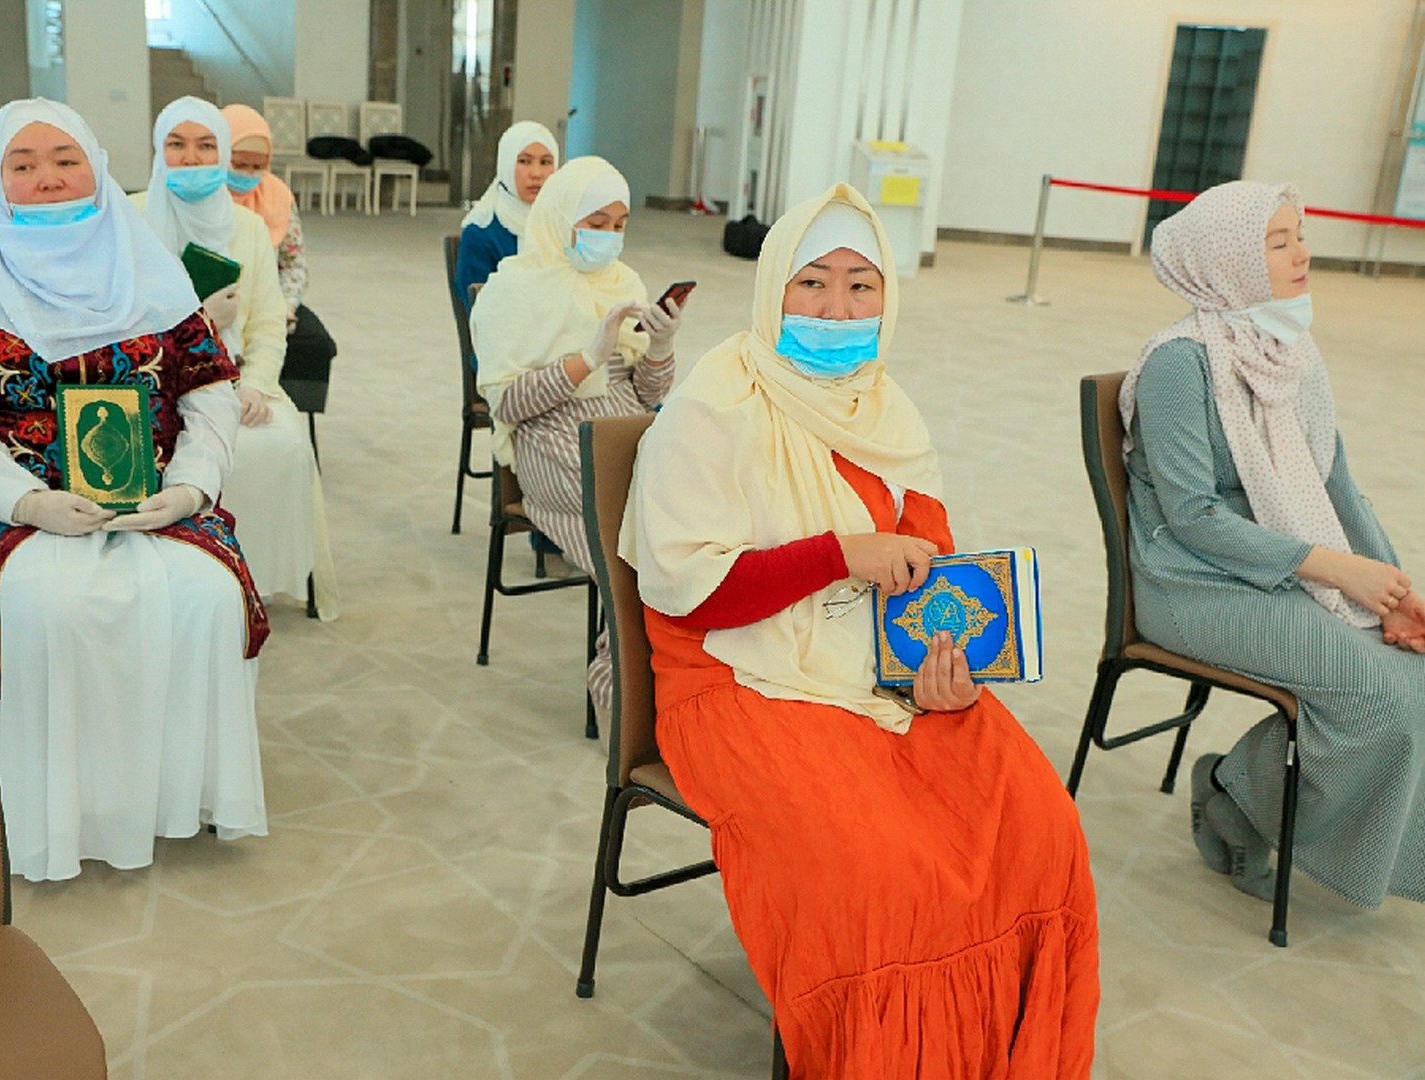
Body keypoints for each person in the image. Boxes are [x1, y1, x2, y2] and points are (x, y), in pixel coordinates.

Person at [620, 183, 1099, 1077]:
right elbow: (692, 595)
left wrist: (944, 666)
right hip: (737, 676)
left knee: (1037, 825)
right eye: (812, 282)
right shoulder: (713, 407)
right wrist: (840, 553)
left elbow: (930, 559)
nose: (837, 310)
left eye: (860, 286)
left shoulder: (886, 408)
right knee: (879, 869)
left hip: (879, 669)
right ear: (773, 287)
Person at [0, 98, 270, 881]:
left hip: (156, 497)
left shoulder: (149, 264)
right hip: (15, 504)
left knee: (205, 596)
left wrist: (190, 489)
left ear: (95, 166)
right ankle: (62, 810)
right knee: (52, 608)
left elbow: (210, 395)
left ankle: (172, 796)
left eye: (66, 160)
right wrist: (20, 500)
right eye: (23, 165)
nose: (48, 179)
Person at [1120, 180, 1425, 907]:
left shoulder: (1289, 349)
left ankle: (1239, 790)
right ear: (1225, 260)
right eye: (1277, 242)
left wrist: (1392, 587)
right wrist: (1335, 570)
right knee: (1373, 693)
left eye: (1300, 237)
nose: (1301, 255)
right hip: (1190, 582)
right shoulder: (1178, 363)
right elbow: (1193, 517)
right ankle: (1237, 800)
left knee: (1415, 675)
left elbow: (1336, 485)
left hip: (1279, 567)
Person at [470, 156, 681, 722]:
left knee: (697, 497)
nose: (609, 237)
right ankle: (626, 679)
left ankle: (681, 671)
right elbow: (507, 405)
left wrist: (660, 347)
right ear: (561, 218)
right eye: (597, 223)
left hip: (625, 425)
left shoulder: (622, 282)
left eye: (620, 225)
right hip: (550, 436)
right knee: (640, 522)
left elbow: (646, 393)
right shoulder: (512, 289)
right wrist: (587, 358)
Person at [135, 96, 339, 619]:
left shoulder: (246, 228)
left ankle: (250, 585)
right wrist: (199, 320)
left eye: (206, 146)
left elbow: (268, 324)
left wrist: (256, 385)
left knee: (282, 447)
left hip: (230, 380)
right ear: (158, 149)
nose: (192, 158)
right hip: (145, 381)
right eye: (177, 145)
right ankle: (174, 582)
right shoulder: (130, 219)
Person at [221, 102, 337, 385]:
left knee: (316, 345)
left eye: (258, 166)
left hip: (269, 300)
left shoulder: (278, 196)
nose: (249, 174)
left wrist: (285, 306)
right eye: (240, 164)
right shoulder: (203, 197)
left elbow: (293, 264)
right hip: (219, 305)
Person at [454, 120, 558, 315]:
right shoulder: (481, 233)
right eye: (524, 161)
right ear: (506, 164)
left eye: (545, 162)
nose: (536, 173)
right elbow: (479, 310)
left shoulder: (562, 226)